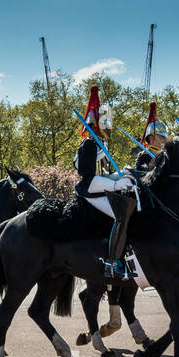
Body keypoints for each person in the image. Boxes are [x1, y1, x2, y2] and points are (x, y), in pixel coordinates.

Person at [72, 86, 137, 280]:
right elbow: (89, 177)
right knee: (121, 215)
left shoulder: (100, 144)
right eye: (105, 122)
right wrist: (117, 185)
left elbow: (105, 174)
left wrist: (122, 176)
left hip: (98, 189)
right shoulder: (90, 145)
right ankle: (112, 262)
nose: (108, 126)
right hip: (89, 191)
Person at [132, 102, 170, 171]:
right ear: (151, 138)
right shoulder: (144, 157)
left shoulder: (166, 156)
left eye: (164, 137)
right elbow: (141, 172)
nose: (164, 140)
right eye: (162, 137)